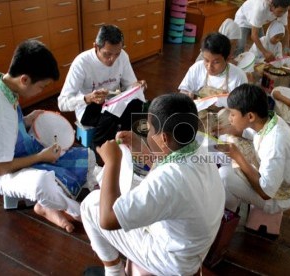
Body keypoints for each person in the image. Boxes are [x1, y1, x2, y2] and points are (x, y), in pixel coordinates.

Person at [80, 93, 225, 275]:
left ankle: (114, 271)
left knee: (90, 204)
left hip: (171, 260)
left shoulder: (169, 179)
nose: (147, 134)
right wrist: (141, 148)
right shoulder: (197, 149)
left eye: (149, 130)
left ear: (163, 138)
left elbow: (107, 220)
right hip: (194, 246)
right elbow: (167, 164)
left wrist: (111, 162)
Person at [0, 40, 97, 233]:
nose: (41, 91)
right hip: (2, 171)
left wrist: (27, 119)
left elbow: (9, 124)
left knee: (88, 156)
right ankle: (79, 212)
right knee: (43, 183)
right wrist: (41, 157)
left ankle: (46, 206)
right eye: (42, 86)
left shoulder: (1, 85)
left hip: (16, 149)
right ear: (25, 79)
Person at [216, 83, 290, 214]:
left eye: (233, 115)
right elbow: (256, 134)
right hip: (276, 181)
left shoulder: (275, 143)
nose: (230, 118)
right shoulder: (269, 120)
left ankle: (227, 215)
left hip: (280, 196)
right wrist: (236, 131)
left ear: (250, 116)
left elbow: (266, 193)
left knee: (225, 175)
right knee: (226, 141)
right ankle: (230, 206)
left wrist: (238, 157)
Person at [58, 25, 147, 150]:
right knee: (111, 116)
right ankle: (99, 153)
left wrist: (137, 86)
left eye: (117, 53)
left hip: (113, 102)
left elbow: (130, 86)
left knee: (137, 104)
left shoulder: (122, 56)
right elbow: (62, 103)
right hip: (88, 107)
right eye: (107, 54)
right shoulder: (82, 62)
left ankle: (129, 147)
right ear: (96, 46)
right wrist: (88, 98)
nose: (112, 59)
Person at [179, 32, 248, 99]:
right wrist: (187, 95)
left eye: (216, 62)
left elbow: (241, 106)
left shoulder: (239, 76)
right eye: (206, 60)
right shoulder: (197, 68)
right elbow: (184, 90)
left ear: (227, 58)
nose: (209, 66)